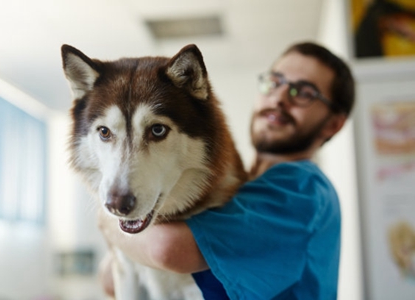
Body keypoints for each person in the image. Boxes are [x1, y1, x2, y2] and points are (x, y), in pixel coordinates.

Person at [105, 41, 355, 299]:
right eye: (275, 81)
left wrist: (110, 223)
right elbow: (110, 282)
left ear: (333, 124)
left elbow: (166, 250)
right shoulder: (245, 191)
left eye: (303, 93)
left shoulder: (303, 190)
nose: (280, 97)